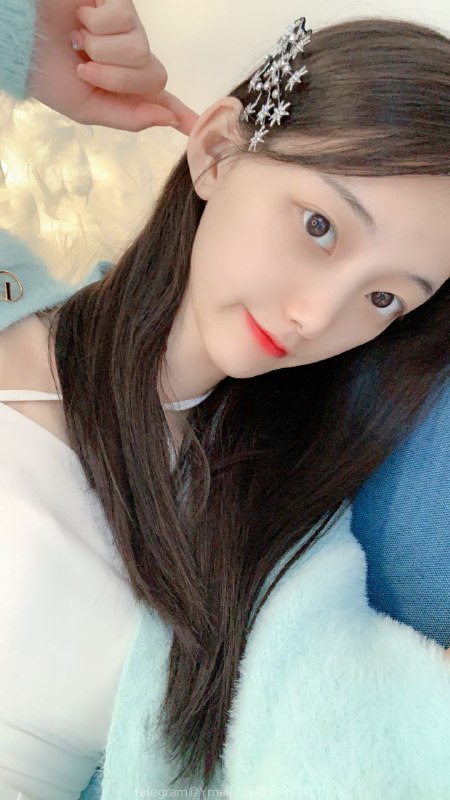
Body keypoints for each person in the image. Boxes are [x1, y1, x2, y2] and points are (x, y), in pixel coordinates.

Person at [0, 2, 449, 799]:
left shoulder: (276, 534)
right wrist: (19, 42)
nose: (318, 316)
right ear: (216, 150)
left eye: (384, 299)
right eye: (320, 226)